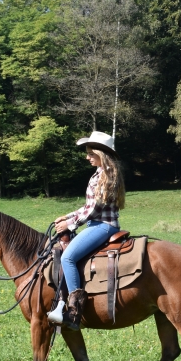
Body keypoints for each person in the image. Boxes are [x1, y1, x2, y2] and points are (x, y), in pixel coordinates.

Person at [47, 131, 124, 330]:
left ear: (102, 153)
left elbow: (95, 209)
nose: (87, 156)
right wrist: (67, 216)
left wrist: (70, 225)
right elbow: (87, 207)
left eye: (91, 153)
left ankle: (75, 310)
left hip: (103, 227)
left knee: (68, 258)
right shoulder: (101, 173)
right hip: (96, 224)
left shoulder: (106, 176)